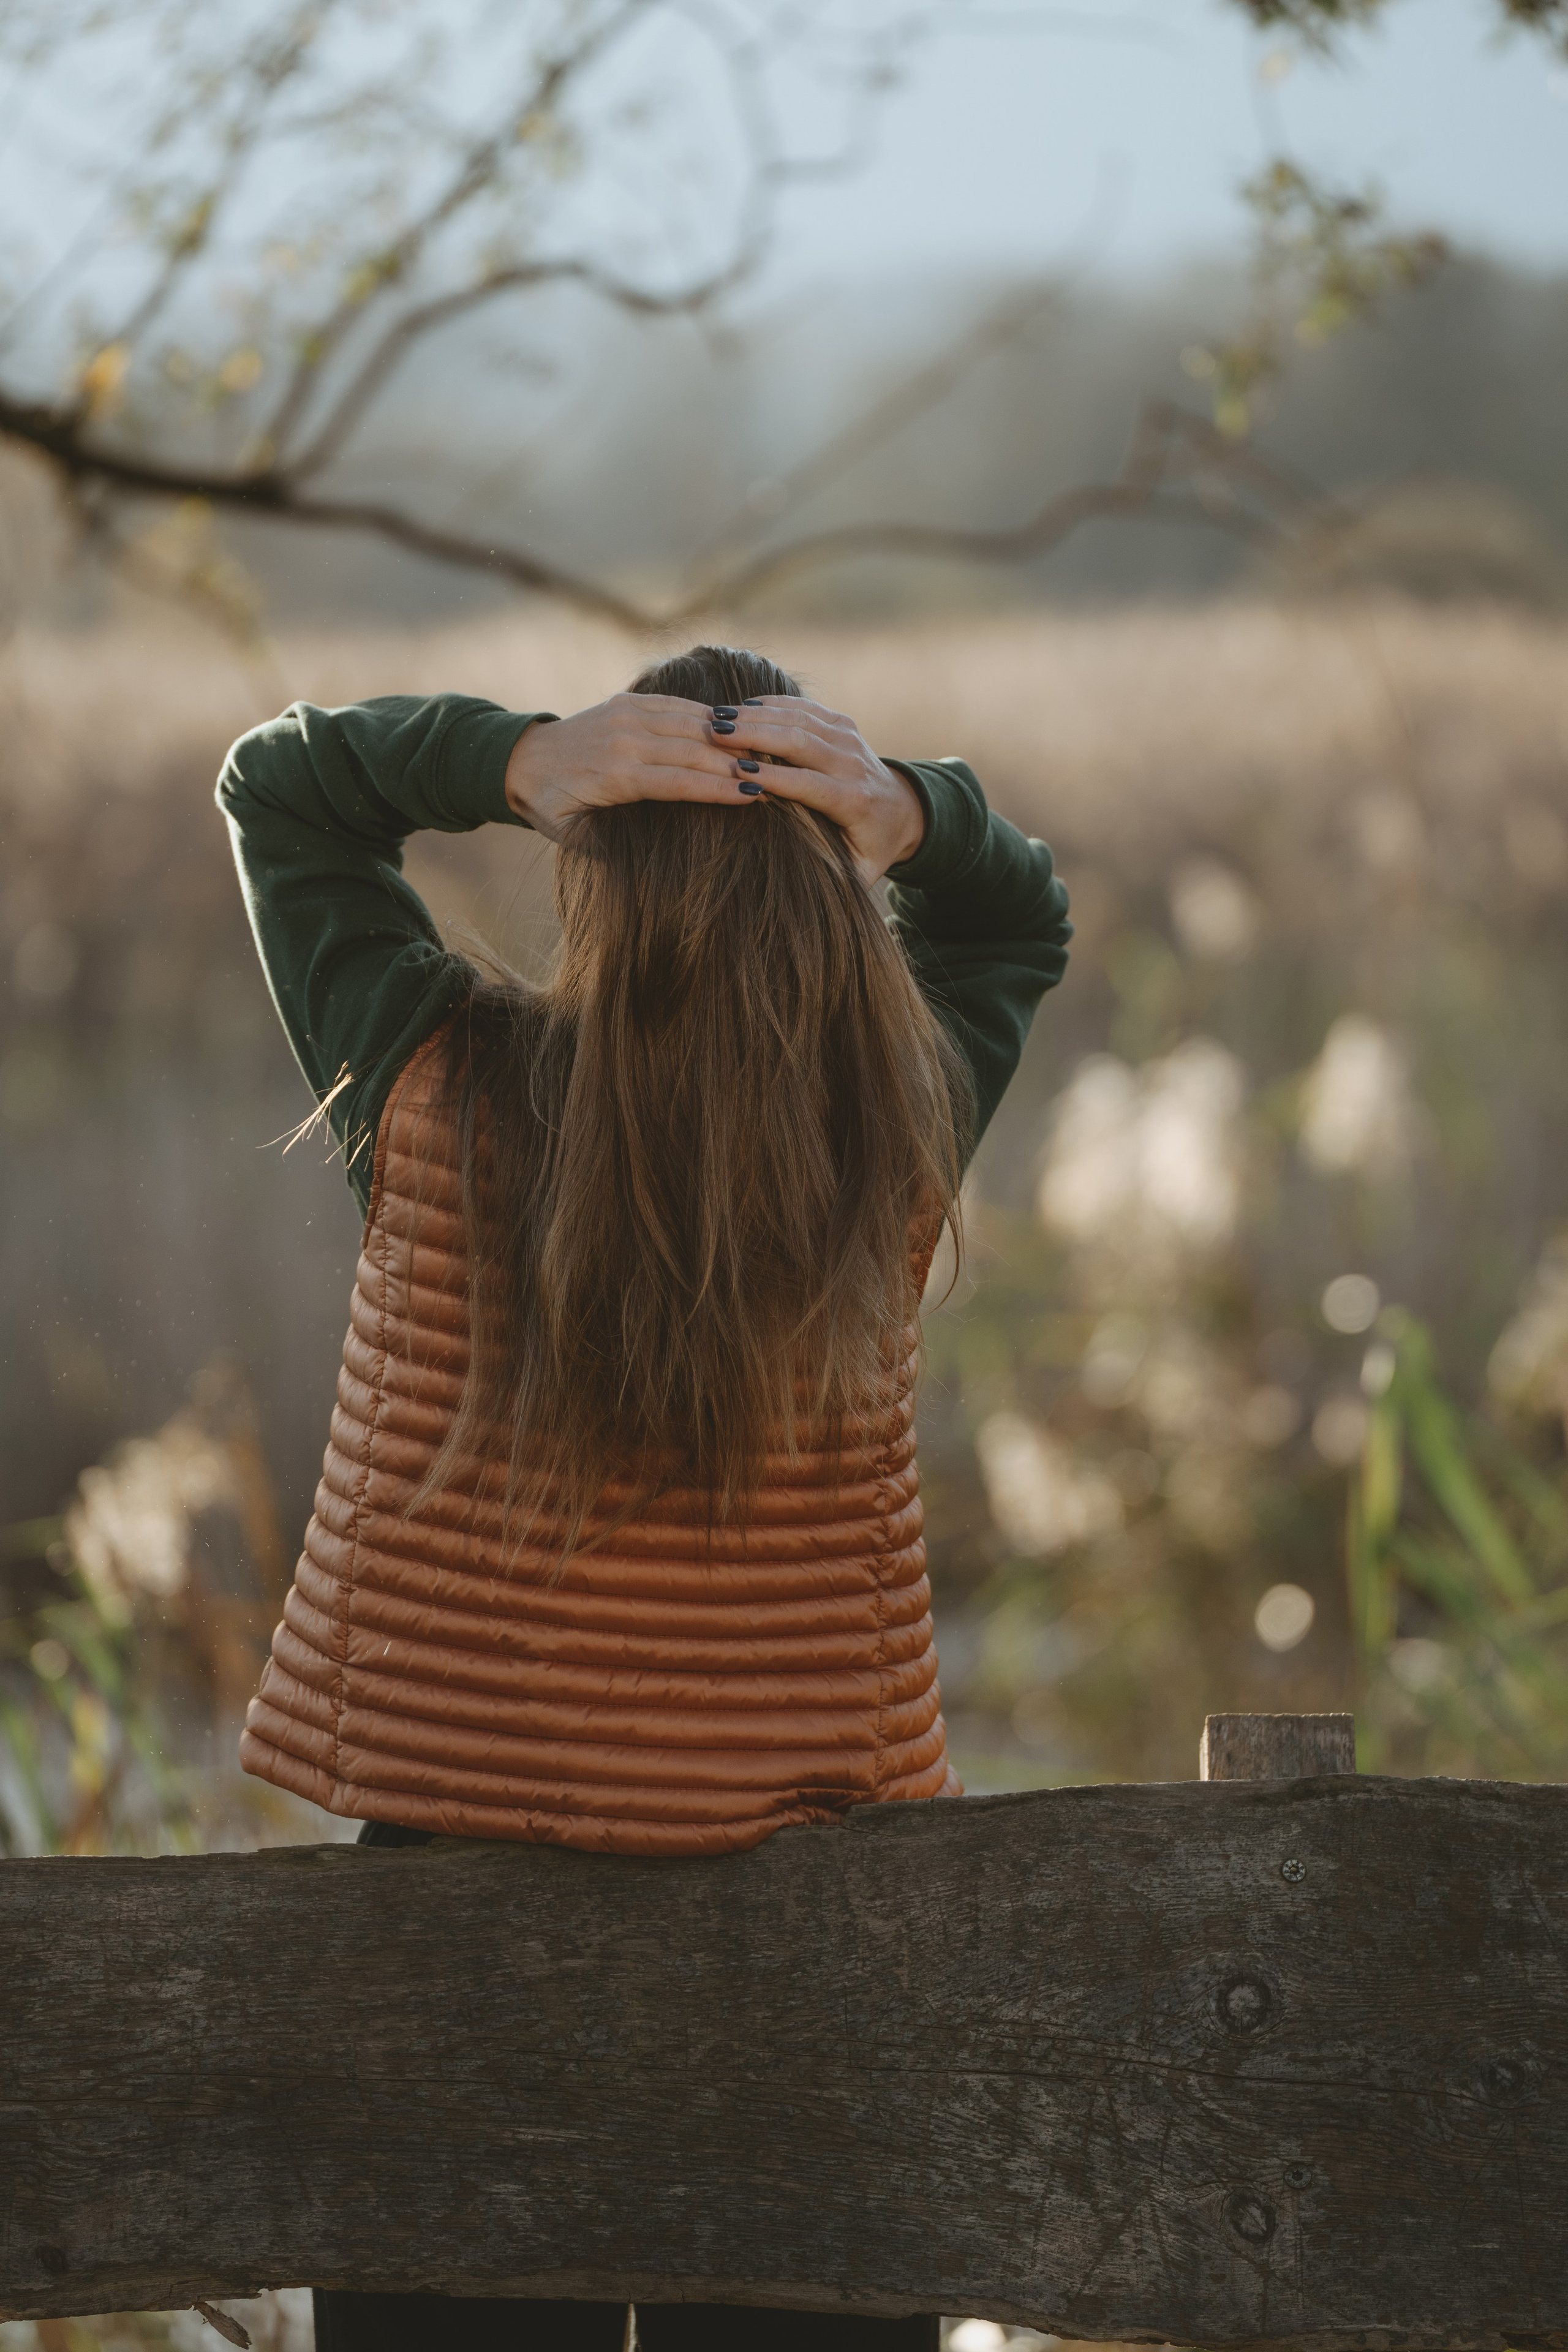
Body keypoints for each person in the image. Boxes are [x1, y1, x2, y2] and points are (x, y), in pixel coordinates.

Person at [218, 643, 1072, 2352]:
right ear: (838, 896)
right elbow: (1016, 922)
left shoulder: (432, 1084)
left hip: (444, 1961)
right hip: (816, 1973)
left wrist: (522, 758)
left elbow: (283, 794)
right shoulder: (895, 1144)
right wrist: (909, 813)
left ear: (591, 869)